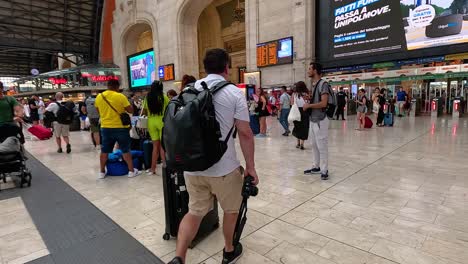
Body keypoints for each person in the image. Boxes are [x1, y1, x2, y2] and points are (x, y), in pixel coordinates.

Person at [168, 48, 258, 264]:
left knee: (194, 211)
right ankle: (229, 251)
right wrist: (251, 167)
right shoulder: (234, 92)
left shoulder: (190, 89)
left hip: (192, 167)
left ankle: (179, 257)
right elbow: (245, 133)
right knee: (231, 210)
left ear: (205, 67)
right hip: (224, 169)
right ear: (227, 67)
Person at [95, 80, 141, 179]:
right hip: (121, 128)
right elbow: (130, 110)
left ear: (108, 86)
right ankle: (131, 171)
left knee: (104, 151)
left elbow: (98, 110)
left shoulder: (99, 97)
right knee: (125, 150)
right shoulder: (120, 96)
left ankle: (102, 172)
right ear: (117, 87)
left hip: (106, 127)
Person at [303, 62, 330, 180]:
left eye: (310, 69)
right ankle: (316, 166)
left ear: (315, 70)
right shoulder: (314, 85)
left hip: (320, 120)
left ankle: (324, 170)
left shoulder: (323, 84)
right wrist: (309, 99)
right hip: (313, 119)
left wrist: (309, 106)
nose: (308, 71)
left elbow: (324, 103)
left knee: (321, 145)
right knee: (314, 145)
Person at [141, 81, 169, 175]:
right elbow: (169, 109)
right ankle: (165, 168)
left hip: (151, 122)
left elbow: (144, 111)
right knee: (163, 146)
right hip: (162, 122)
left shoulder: (147, 98)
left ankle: (152, 169)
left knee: (155, 146)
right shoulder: (164, 97)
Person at [291, 81, 310, 150]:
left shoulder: (294, 94)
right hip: (305, 111)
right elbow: (309, 102)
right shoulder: (307, 94)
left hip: (296, 112)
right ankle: (302, 144)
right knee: (304, 127)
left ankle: (298, 143)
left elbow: (292, 103)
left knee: (297, 127)